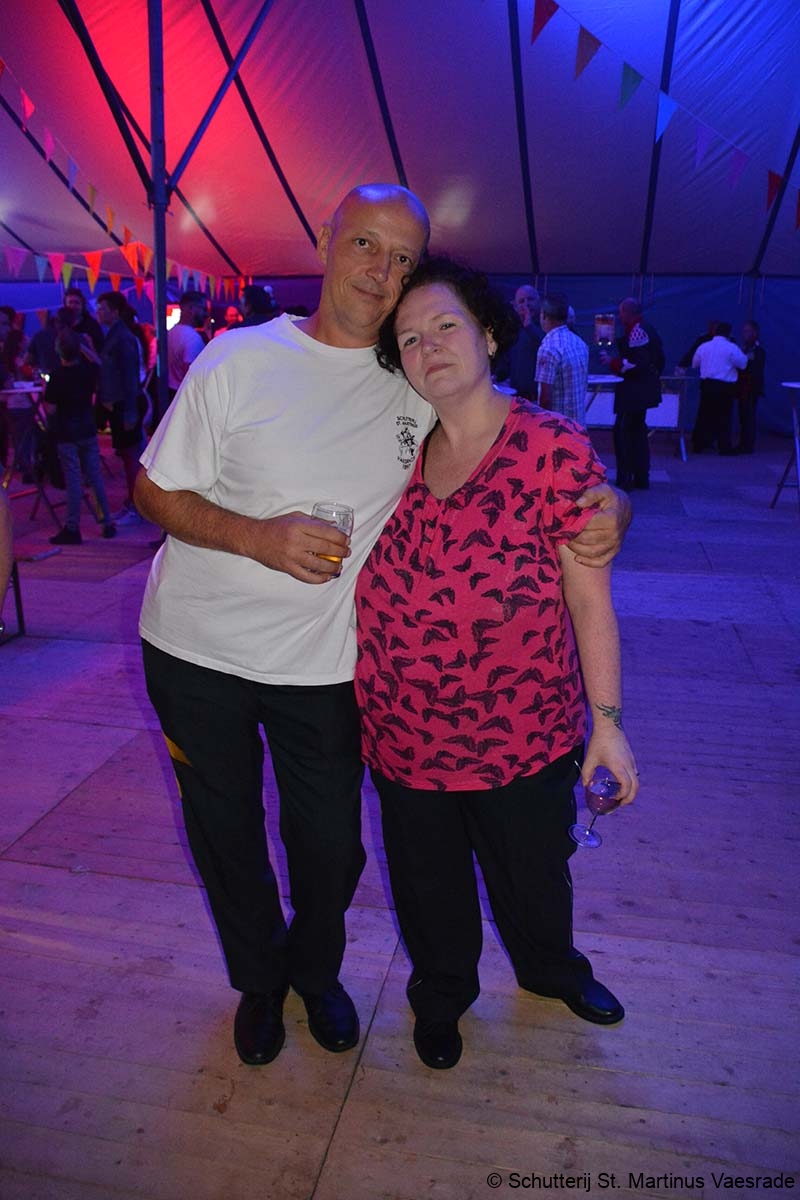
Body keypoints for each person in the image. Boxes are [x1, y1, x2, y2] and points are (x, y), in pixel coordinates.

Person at [132, 183, 631, 1069]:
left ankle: (320, 972)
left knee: (332, 849)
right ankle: (262, 983)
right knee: (227, 834)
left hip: (325, 668)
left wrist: (614, 505)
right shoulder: (238, 358)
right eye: (365, 244)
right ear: (326, 241)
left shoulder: (408, 384)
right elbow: (150, 489)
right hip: (201, 653)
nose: (381, 270)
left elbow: (531, 456)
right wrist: (257, 536)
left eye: (402, 258)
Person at [354, 256, 638, 1070]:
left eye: (445, 325)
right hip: (404, 734)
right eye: (410, 339)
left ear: (486, 334)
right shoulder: (391, 454)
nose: (428, 347)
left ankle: (552, 970)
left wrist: (608, 727)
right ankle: (442, 993)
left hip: (523, 732)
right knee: (428, 886)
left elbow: (590, 600)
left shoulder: (550, 448)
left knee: (535, 875)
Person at [43, 329, 115, 545]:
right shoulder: (87, 371)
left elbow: (50, 409)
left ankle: (72, 527)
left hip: (66, 432)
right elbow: (98, 363)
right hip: (87, 429)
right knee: (94, 476)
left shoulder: (57, 376)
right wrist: (84, 346)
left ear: (58, 351)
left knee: (73, 479)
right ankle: (107, 522)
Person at [603, 298, 664, 492]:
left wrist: (613, 362)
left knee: (624, 433)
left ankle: (625, 478)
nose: (619, 316)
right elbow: (658, 359)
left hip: (633, 392)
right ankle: (641, 477)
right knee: (638, 433)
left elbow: (636, 363)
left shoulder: (637, 330)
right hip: (643, 391)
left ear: (628, 313)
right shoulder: (647, 328)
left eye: (621, 312)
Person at [96, 291, 145, 520]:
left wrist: (130, 412)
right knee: (127, 457)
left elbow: (129, 375)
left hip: (125, 405)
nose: (99, 312)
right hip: (120, 404)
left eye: (103, 309)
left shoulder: (122, 337)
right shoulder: (114, 334)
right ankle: (133, 503)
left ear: (115, 312)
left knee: (131, 457)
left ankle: (137, 507)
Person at [691, 322, 747, 455]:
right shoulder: (732, 347)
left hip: (707, 385)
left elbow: (695, 364)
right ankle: (724, 447)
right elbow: (743, 364)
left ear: (715, 332)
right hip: (725, 387)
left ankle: (698, 444)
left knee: (704, 415)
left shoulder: (704, 346)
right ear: (729, 334)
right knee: (724, 417)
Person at [535, 292, 590, 423]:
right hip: (578, 424)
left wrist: (542, 425)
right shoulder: (579, 342)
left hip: (558, 427)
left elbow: (545, 398)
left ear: (544, 316)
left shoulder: (548, 348)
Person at [494, 283, 542, 400]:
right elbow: (506, 363)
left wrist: (529, 325)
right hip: (517, 398)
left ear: (539, 302)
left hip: (539, 399)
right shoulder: (513, 330)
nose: (526, 304)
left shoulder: (545, 326)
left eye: (530, 299)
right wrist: (496, 376)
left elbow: (544, 345)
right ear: (515, 306)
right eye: (521, 301)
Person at [167, 291, 207, 404]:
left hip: (171, 394)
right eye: (203, 309)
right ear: (191, 308)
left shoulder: (170, 333)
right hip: (185, 398)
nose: (205, 314)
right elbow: (191, 376)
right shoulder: (193, 338)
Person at [732, 319, 765, 455]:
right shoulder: (745, 348)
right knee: (744, 416)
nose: (744, 333)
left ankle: (747, 445)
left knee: (748, 417)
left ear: (754, 332)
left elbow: (754, 369)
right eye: (743, 331)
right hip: (743, 389)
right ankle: (744, 443)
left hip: (750, 389)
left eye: (747, 331)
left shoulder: (758, 350)